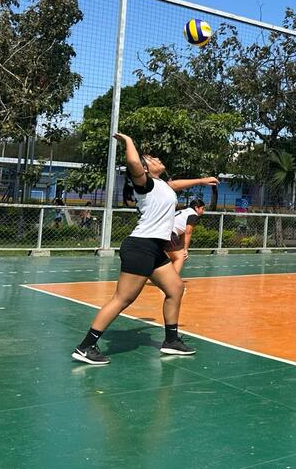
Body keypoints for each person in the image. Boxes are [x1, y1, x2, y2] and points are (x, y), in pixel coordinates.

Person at [71, 133, 219, 365]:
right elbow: (133, 162)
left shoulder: (161, 185)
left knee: (176, 288)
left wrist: (201, 181)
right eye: (151, 159)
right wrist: (128, 141)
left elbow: (174, 185)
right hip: (141, 246)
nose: (157, 158)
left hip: (154, 249)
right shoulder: (144, 184)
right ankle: (86, 346)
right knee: (123, 298)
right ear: (145, 168)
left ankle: (171, 341)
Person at [166, 199, 206, 274]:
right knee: (181, 256)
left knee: (169, 258)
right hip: (168, 233)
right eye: (202, 209)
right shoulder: (193, 214)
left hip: (160, 232)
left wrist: (182, 248)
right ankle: (172, 279)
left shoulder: (184, 212)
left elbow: (183, 233)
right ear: (196, 208)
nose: (203, 211)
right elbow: (188, 232)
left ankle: (162, 276)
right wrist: (185, 250)